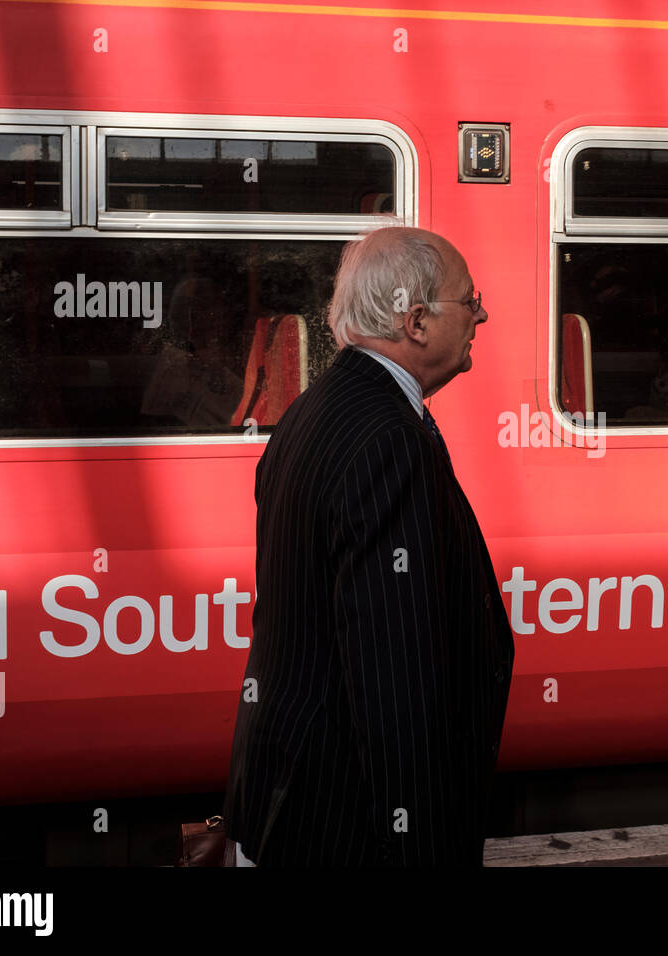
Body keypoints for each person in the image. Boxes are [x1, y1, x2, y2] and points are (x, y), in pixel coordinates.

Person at [223, 226, 515, 866]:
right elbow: (393, 669)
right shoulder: (388, 438)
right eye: (469, 300)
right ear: (416, 321)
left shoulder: (314, 409)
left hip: (289, 791)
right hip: (345, 819)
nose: (482, 313)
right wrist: (419, 844)